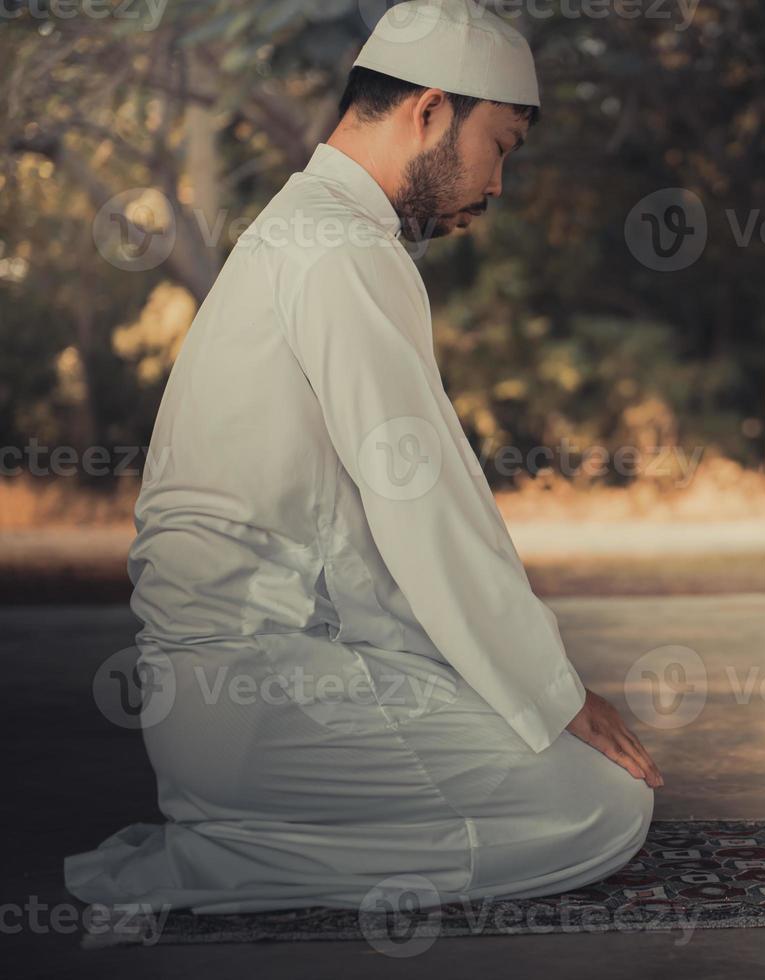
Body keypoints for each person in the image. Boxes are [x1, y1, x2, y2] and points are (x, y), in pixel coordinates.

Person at [66, 0, 660, 914]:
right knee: (606, 808)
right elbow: (425, 505)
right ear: (429, 111)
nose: (498, 184)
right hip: (261, 698)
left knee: (542, 745)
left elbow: (359, 542)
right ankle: (219, 859)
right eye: (499, 146)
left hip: (233, 698)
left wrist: (520, 686)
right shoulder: (340, 249)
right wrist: (553, 690)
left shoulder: (306, 230)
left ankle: (246, 827)